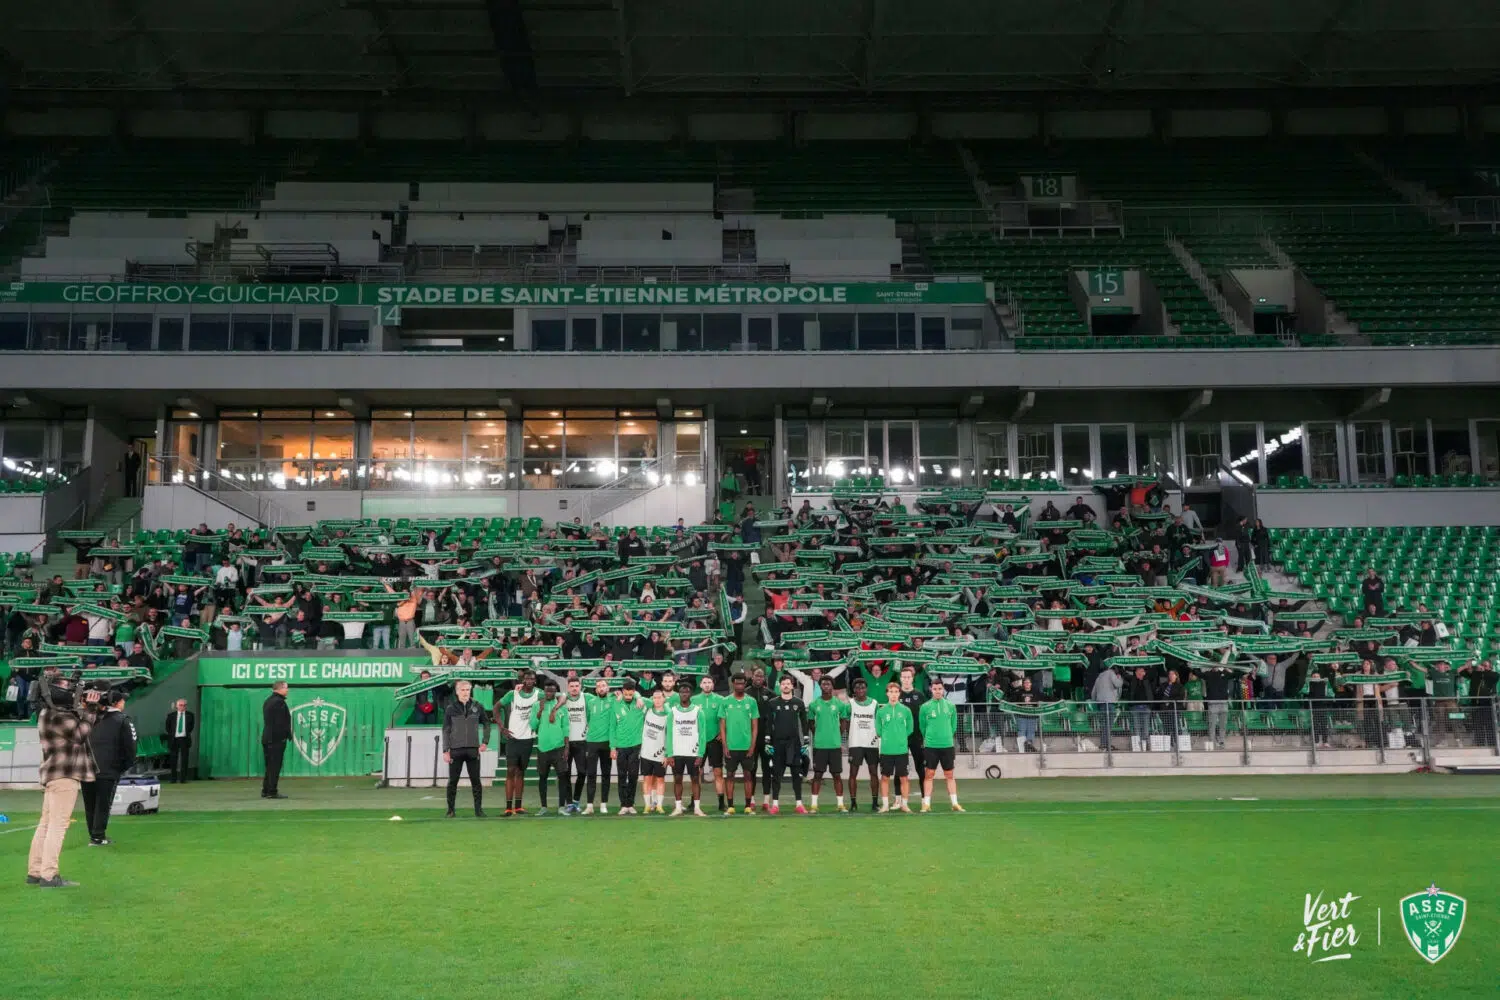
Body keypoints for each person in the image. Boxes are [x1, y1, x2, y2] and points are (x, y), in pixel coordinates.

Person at [27, 677, 102, 887]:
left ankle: (35, 871)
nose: (68, 690)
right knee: (58, 826)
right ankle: (49, 875)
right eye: (63, 687)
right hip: (64, 776)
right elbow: (80, 734)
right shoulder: (58, 715)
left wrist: (84, 708)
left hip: (53, 774)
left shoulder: (46, 713)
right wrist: (91, 710)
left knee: (46, 824)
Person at [82, 687, 138, 847]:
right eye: (122, 700)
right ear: (117, 703)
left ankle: (94, 835)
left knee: (90, 804)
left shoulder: (89, 718)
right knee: (103, 804)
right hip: (108, 769)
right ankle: (98, 836)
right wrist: (122, 767)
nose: (124, 703)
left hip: (86, 768)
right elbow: (131, 748)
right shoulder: (123, 719)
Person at [441, 680, 490, 818]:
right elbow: (446, 729)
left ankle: (478, 810)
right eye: (462, 690)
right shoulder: (451, 708)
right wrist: (446, 750)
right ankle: (451, 810)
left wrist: (485, 741)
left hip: (473, 750)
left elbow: (486, 723)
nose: (465, 693)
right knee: (452, 782)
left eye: (468, 690)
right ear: (457, 692)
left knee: (476, 781)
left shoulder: (478, 706)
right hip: (455, 750)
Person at [496, 668, 540, 815]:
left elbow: (558, 696)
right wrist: (502, 727)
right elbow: (496, 707)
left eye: (532, 679)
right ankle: (508, 807)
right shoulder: (513, 693)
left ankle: (519, 806)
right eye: (527, 679)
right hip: (513, 737)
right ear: (523, 680)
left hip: (527, 738)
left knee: (521, 772)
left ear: (535, 680)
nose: (529, 681)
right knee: (510, 771)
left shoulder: (538, 693)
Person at [765, 675, 808, 815]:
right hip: (778, 743)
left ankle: (799, 804)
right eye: (783, 684)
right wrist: (767, 741)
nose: (786, 686)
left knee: (797, 774)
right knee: (777, 775)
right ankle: (775, 804)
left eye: (788, 684)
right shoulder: (772, 703)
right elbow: (768, 723)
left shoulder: (799, 703)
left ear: (792, 686)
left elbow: (804, 722)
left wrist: (806, 741)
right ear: (780, 686)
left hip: (794, 743)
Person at [918, 679, 963, 812]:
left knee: (949, 775)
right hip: (931, 746)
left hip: (947, 745)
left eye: (939, 689)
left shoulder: (951, 706)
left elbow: (953, 726)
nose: (937, 691)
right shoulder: (925, 707)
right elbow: (922, 726)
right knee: (929, 774)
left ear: (943, 690)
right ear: (931, 690)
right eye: (935, 689)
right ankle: (926, 804)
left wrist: (947, 736)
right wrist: (929, 737)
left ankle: (955, 803)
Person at [806, 675, 850, 813]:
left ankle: (840, 804)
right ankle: (813, 805)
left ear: (832, 686)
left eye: (828, 684)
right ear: (820, 686)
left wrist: (836, 733)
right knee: (817, 775)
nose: (826, 686)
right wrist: (819, 733)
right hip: (819, 745)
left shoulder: (839, 704)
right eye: (823, 684)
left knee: (836, 775)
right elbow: (811, 723)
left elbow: (844, 721)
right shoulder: (814, 704)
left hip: (835, 745)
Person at [530, 680, 573, 815]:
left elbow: (566, 728)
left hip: (559, 747)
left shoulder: (562, 707)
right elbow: (533, 725)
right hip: (543, 748)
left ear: (555, 692)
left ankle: (561, 807)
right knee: (543, 777)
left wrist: (566, 747)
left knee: (562, 777)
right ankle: (543, 807)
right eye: (547, 690)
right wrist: (540, 711)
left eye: (552, 691)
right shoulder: (537, 706)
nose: (549, 693)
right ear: (544, 691)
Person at [719, 672, 760, 814]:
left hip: (747, 746)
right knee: (730, 776)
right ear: (733, 684)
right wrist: (725, 745)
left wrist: (752, 746)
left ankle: (748, 806)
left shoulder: (752, 702)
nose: (740, 685)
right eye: (737, 683)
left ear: (745, 684)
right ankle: (730, 806)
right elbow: (722, 727)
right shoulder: (725, 702)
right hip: (731, 746)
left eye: (742, 683)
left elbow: (755, 727)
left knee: (748, 776)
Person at [668, 681, 707, 816]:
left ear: (690, 694)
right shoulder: (672, 711)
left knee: (695, 779)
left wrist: (700, 753)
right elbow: (669, 734)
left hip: (693, 752)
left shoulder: (698, 711)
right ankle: (678, 807)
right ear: (679, 694)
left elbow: (702, 734)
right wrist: (669, 754)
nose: (684, 694)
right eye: (682, 692)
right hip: (677, 752)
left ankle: (697, 808)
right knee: (677, 779)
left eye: (686, 692)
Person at [876, 681, 914, 813]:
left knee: (904, 778)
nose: (893, 695)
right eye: (891, 692)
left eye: (896, 692)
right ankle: (885, 805)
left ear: (899, 694)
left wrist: (901, 738)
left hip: (901, 750)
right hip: (886, 750)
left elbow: (910, 729)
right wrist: (888, 739)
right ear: (887, 693)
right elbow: (878, 730)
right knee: (885, 777)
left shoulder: (906, 710)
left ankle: (904, 804)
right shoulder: (881, 711)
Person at [609, 678, 646, 815]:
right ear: (622, 692)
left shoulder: (641, 703)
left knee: (633, 775)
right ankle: (623, 804)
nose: (629, 697)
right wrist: (612, 747)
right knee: (621, 775)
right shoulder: (616, 703)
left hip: (635, 746)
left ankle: (630, 804)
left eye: (631, 694)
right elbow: (612, 727)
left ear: (634, 692)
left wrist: (639, 697)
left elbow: (658, 700)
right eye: (626, 694)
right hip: (620, 746)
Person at [845, 677, 881, 811]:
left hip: (871, 743)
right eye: (857, 687)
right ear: (854, 690)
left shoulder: (874, 703)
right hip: (856, 743)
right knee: (853, 773)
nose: (860, 690)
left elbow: (878, 722)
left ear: (866, 689)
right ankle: (853, 803)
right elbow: (846, 722)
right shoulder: (850, 704)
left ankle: (875, 802)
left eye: (863, 687)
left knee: (873, 773)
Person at [691, 675, 726, 811]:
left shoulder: (720, 700)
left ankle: (721, 803)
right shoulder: (693, 700)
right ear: (700, 685)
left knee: (718, 772)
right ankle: (694, 802)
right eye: (704, 682)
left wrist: (722, 734)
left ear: (713, 685)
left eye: (709, 682)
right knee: (696, 773)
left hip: (714, 741)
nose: (707, 685)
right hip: (698, 741)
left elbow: (725, 718)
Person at [582, 676, 615, 815]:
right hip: (592, 743)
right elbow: (588, 718)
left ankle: (603, 804)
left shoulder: (613, 700)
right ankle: (589, 805)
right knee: (591, 774)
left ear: (608, 688)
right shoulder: (590, 702)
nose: (601, 688)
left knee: (606, 775)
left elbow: (634, 693)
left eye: (604, 686)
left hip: (607, 743)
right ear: (596, 690)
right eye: (599, 686)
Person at [561, 677, 591, 810]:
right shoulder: (562, 698)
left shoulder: (586, 697)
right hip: (566, 743)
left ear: (580, 687)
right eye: (572, 686)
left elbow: (605, 694)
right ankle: (569, 803)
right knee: (565, 773)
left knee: (582, 772)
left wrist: (617, 693)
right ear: (568, 687)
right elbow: (544, 694)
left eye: (576, 686)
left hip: (581, 742)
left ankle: (576, 800)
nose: (574, 688)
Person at [261, 680, 291, 799]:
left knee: (269, 766)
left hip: (267, 738)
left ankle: (266, 790)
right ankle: (272, 791)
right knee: (275, 766)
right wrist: (283, 737)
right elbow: (280, 723)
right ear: (280, 688)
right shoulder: (279, 702)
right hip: (276, 740)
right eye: (286, 688)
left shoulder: (268, 701)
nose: (287, 690)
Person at [163, 698, 195, 783]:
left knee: (184, 759)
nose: (182, 707)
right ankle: (173, 778)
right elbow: (167, 727)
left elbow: (191, 727)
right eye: (180, 705)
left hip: (184, 739)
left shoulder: (190, 715)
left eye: (184, 705)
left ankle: (183, 779)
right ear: (177, 706)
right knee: (173, 759)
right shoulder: (171, 716)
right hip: (174, 739)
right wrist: (173, 734)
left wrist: (184, 733)